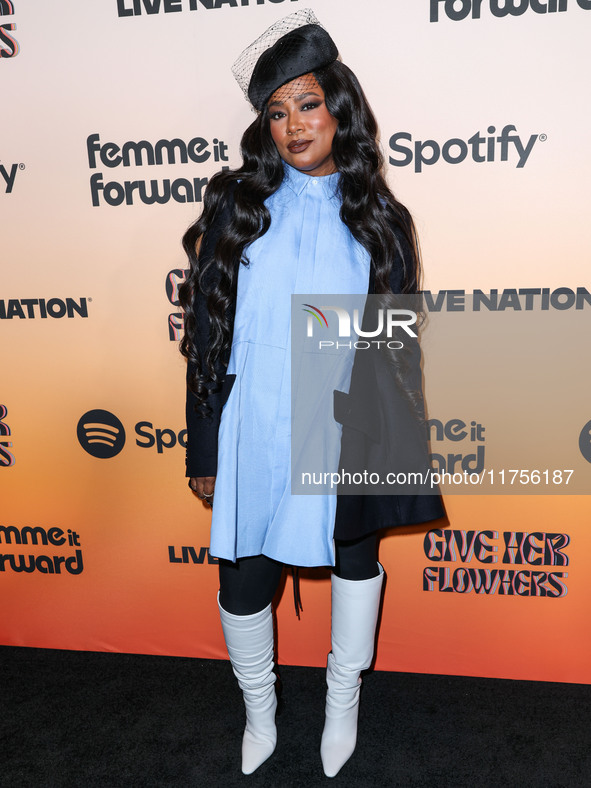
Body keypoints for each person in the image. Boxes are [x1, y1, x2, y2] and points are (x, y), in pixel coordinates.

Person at [179, 9, 444, 778]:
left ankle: (341, 706)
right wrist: (203, 443)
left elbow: (396, 351)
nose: (294, 124)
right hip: (253, 421)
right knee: (243, 579)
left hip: (343, 423)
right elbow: (206, 336)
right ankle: (259, 711)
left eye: (307, 102)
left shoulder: (381, 219)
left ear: (339, 105)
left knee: (354, 567)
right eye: (276, 110)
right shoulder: (236, 205)